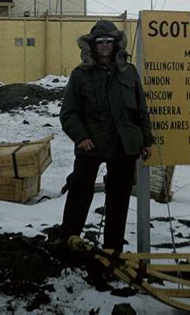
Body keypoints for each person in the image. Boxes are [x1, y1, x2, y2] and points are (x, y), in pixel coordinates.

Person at [59, 20, 152, 253]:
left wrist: (146, 140)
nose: (104, 46)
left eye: (109, 41)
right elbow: (68, 113)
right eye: (99, 42)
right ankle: (67, 240)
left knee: (119, 198)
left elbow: (141, 109)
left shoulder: (128, 72)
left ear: (116, 44)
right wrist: (81, 137)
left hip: (124, 143)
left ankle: (113, 250)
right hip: (92, 142)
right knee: (80, 187)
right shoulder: (80, 75)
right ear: (91, 45)